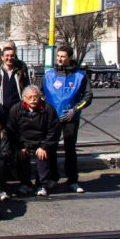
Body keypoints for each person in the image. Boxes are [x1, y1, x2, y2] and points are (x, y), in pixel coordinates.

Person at [43, 45, 92, 194]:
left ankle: (72, 180)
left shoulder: (80, 75)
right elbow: (40, 94)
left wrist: (75, 110)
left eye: (63, 56)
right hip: (52, 118)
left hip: (70, 118)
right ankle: (52, 178)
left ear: (70, 57)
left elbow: (88, 96)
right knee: (50, 148)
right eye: (58, 56)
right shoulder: (49, 74)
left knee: (70, 149)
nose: (60, 59)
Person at [7, 85, 61, 197]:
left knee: (43, 155)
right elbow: (12, 130)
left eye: (36, 97)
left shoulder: (48, 109)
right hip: (24, 141)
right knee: (21, 155)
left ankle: (41, 185)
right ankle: (25, 183)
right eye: (30, 97)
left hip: (41, 141)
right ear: (24, 98)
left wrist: (44, 146)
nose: (33, 100)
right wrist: (20, 146)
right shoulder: (16, 109)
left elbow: (54, 130)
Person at [0, 45, 31, 125]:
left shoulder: (21, 72)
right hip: (1, 111)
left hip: (18, 110)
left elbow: (27, 88)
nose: (9, 58)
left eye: (12, 56)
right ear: (2, 57)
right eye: (7, 56)